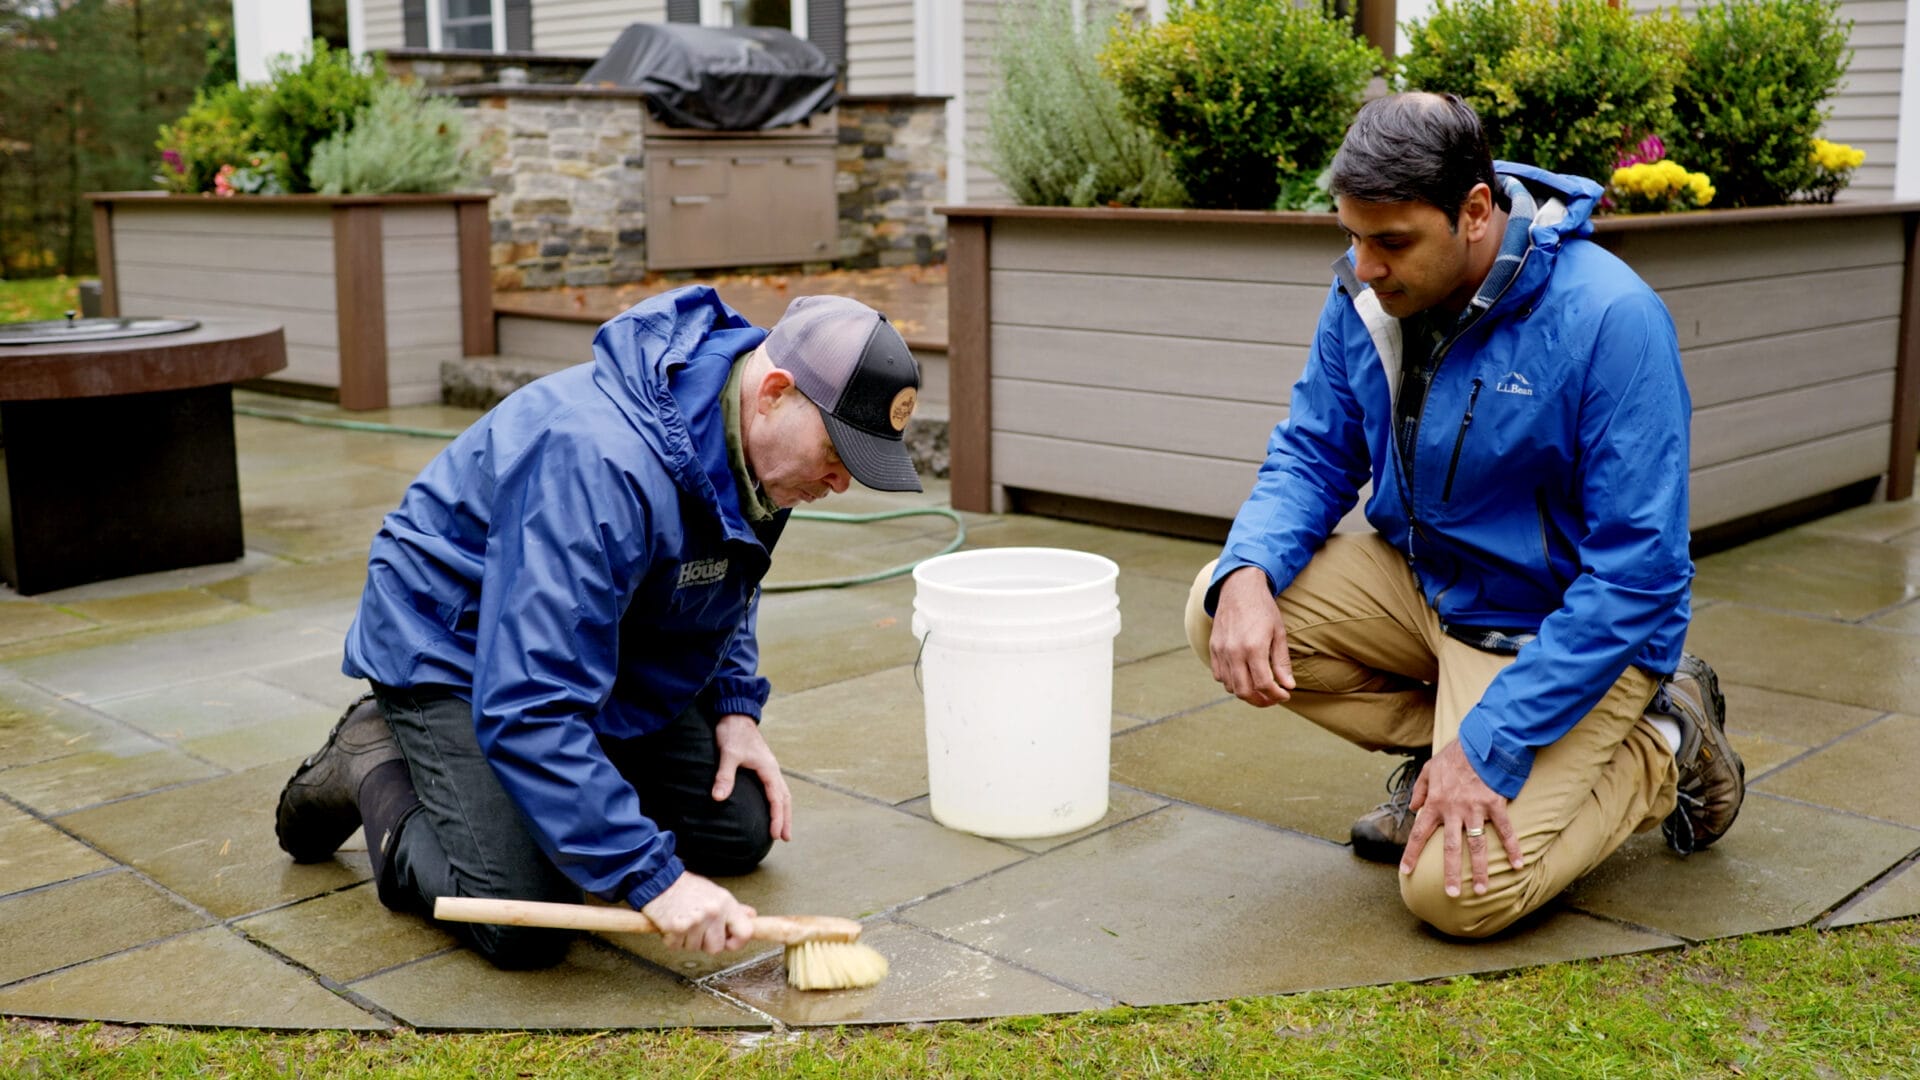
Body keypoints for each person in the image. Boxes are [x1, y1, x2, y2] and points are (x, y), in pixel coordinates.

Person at [1184, 92, 1746, 939]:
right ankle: (1447, 752)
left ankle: (1662, 738)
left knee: (1454, 897)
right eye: (1353, 236)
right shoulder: (1370, 293)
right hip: (1430, 586)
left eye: (1392, 242)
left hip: (1557, 626)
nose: (1365, 265)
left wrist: (1495, 744)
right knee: (1218, 609)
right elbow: (1313, 452)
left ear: (1475, 211)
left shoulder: (1610, 320)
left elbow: (1639, 573)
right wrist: (1251, 570)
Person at [274, 286, 924, 967]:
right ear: (775, 393)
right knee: (528, 921)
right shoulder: (599, 462)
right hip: (454, 644)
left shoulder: (759, 444)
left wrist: (735, 707)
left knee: (739, 828)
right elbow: (528, 700)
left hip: (592, 636)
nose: (842, 482)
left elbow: (731, 571)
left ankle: (553, 793)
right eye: (838, 451)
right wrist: (654, 879)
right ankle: (375, 759)